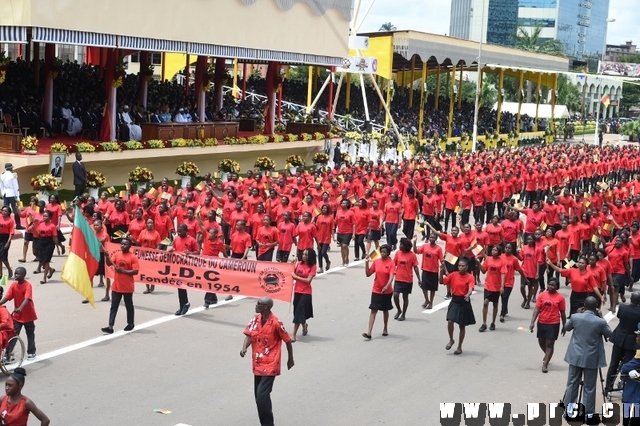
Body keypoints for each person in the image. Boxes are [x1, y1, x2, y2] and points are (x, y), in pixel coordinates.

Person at [240, 297, 294, 426]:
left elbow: (287, 341)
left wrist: (290, 359)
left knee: (261, 397)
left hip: (271, 364)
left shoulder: (276, 322)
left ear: (266, 307)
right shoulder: (255, 319)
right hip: (258, 363)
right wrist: (243, 348)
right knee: (259, 397)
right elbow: (249, 335)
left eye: (259, 304)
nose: (256, 305)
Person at [562, 296, 613, 422]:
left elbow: (567, 328)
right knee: (590, 387)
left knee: (572, 383)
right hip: (591, 358)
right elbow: (609, 334)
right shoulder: (599, 322)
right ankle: (588, 414)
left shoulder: (575, 317)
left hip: (575, 356)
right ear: (597, 307)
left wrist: (578, 313)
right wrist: (601, 317)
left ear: (584, 305)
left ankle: (569, 410)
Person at [605, 291, 640, 396]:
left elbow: (619, 317)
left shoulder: (623, 308)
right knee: (627, 365)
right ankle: (624, 386)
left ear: (631, 299)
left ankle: (608, 387)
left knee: (613, 364)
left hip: (619, 339)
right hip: (631, 342)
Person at [529, 278, 567, 373]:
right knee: (541, 342)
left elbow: (562, 313)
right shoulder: (542, 295)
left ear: (557, 287)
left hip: (553, 323)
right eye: (549, 284)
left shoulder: (560, 298)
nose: (550, 286)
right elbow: (537, 309)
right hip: (542, 322)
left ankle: (545, 364)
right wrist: (532, 322)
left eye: (553, 285)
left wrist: (564, 325)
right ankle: (547, 355)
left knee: (549, 344)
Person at [102, 238, 139, 334]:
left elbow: (135, 271)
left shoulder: (133, 257)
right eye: (122, 244)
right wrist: (106, 257)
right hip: (116, 286)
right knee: (114, 306)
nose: (123, 246)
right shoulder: (117, 254)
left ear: (130, 246)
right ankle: (110, 326)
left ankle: (130, 323)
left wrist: (122, 271)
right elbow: (109, 263)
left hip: (127, 287)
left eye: (125, 244)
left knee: (129, 306)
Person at [440, 257, 476, 355]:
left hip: (464, 301)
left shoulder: (470, 277)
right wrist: (441, 271)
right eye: (459, 266)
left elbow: (470, 288)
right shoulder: (453, 275)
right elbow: (441, 282)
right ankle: (451, 340)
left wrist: (468, 295)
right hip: (455, 300)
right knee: (450, 321)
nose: (460, 267)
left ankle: (459, 346)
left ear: (467, 267)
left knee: (462, 326)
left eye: (463, 266)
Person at [0, 267, 37, 359]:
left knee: (30, 334)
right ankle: (8, 354)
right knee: (13, 334)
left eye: (18, 274)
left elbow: (27, 298)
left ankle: (31, 352)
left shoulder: (27, 285)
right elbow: (7, 297)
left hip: (28, 316)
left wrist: (20, 308)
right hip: (17, 316)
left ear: (23, 275)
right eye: (15, 273)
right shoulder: (13, 285)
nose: (15, 275)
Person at [363, 244, 395, 340]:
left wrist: (387, 286)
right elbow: (368, 274)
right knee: (373, 310)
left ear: (388, 253)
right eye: (381, 252)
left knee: (385, 310)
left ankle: (385, 328)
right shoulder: (376, 262)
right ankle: (369, 332)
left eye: (384, 252)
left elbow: (391, 276)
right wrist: (366, 263)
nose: (382, 253)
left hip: (387, 291)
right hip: (376, 290)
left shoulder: (391, 263)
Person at [291, 248, 317, 341]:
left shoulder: (313, 266)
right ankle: (304, 325)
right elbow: (291, 272)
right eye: (303, 254)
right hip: (297, 291)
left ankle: (293, 334)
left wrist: (296, 277)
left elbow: (308, 280)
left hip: (306, 292)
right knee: (297, 311)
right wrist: (292, 264)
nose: (304, 256)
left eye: (306, 255)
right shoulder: (299, 264)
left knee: (299, 312)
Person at [392, 237, 420, 321]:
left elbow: (415, 267)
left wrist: (419, 278)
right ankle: (399, 310)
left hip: (407, 279)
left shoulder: (412, 255)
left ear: (406, 246)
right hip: (398, 278)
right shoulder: (397, 253)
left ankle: (403, 314)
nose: (399, 246)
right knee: (395, 295)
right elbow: (393, 264)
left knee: (405, 297)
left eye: (401, 244)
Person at [414, 233, 443, 310]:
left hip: (434, 271)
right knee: (424, 286)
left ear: (436, 239)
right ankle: (427, 300)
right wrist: (414, 242)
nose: (431, 239)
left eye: (433, 237)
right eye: (430, 237)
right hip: (425, 269)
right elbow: (416, 251)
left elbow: (441, 260)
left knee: (433, 288)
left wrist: (444, 270)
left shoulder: (439, 248)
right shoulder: (425, 246)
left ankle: (431, 302)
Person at [620, 327, 640, 424]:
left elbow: (625, 368)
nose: (636, 338)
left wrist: (630, 370)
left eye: (638, 336)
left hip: (635, 390)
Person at [0, 163, 22, 230]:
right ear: (10, 168)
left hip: (5, 193)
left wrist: (3, 193)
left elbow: (1, 186)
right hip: (12, 193)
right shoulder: (13, 175)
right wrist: (17, 196)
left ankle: (6, 224)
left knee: (5, 209)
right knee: (15, 209)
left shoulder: (2, 175)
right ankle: (18, 225)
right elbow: (16, 186)